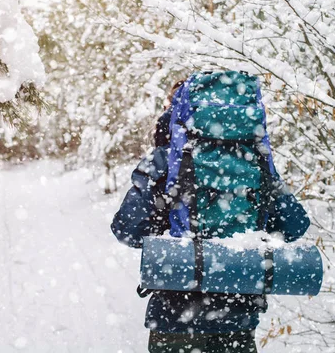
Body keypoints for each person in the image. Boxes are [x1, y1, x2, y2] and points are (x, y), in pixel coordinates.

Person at [111, 75, 310, 353]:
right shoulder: (252, 160)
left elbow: (127, 230)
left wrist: (166, 216)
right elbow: (295, 225)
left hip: (174, 320)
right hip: (238, 321)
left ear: (179, 111)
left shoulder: (165, 161)